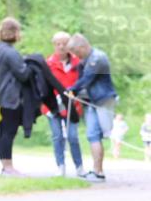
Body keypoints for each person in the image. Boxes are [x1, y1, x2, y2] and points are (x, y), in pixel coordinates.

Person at [65, 34, 118, 182]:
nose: (75, 55)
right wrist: (72, 91)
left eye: (76, 52)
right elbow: (82, 81)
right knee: (92, 135)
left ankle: (98, 170)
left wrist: (73, 89)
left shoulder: (98, 58)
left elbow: (88, 78)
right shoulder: (84, 61)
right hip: (92, 102)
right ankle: (97, 172)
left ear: (82, 46)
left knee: (106, 133)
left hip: (103, 101)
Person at [0, 18, 31, 176]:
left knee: (2, 131)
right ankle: (8, 167)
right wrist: (29, 65)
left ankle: (5, 166)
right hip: (11, 97)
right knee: (9, 132)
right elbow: (23, 74)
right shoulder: (10, 52)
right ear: (15, 33)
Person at [42, 31, 85, 177]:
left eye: (64, 43)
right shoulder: (48, 63)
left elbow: (82, 82)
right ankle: (60, 166)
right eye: (58, 44)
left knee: (73, 136)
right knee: (57, 136)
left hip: (72, 106)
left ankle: (79, 167)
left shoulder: (77, 63)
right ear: (54, 45)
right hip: (53, 106)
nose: (61, 47)